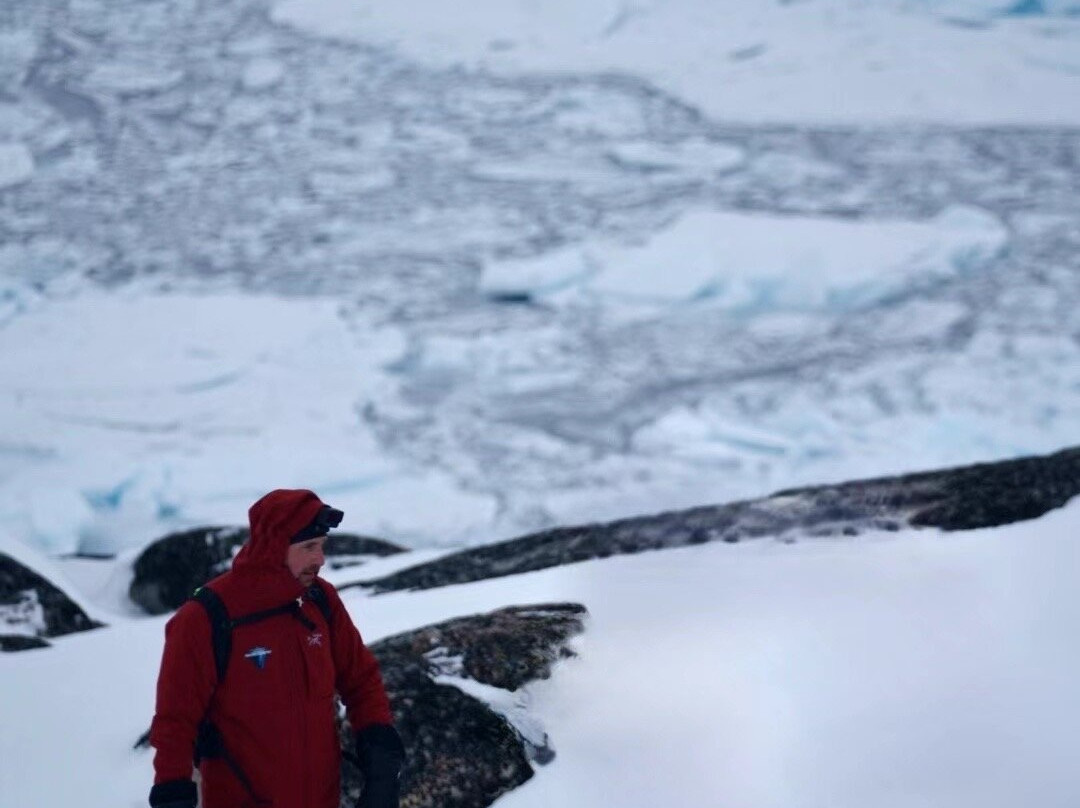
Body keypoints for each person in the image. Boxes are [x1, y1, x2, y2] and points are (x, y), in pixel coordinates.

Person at [148, 489, 404, 808]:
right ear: (275, 546)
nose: (320, 559)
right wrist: (172, 793)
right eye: (309, 547)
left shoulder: (320, 601)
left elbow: (361, 679)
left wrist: (381, 761)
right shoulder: (206, 617)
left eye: (322, 546)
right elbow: (176, 720)